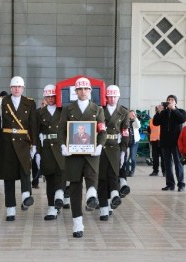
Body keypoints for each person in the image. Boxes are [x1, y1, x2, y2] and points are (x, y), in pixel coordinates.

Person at [58, 77, 107, 238]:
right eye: (80, 89)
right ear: (76, 91)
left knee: (92, 178)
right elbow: (61, 131)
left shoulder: (97, 109)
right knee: (74, 189)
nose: (83, 91)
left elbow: (102, 130)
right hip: (73, 155)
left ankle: (92, 196)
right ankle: (77, 224)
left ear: (90, 91)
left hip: (91, 154)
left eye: (86, 89)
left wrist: (100, 145)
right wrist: (63, 146)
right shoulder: (68, 109)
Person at [0, 76, 38, 221]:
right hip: (7, 143)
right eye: (14, 87)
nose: (17, 89)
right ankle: (10, 209)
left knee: (25, 170)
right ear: (10, 88)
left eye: (19, 87)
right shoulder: (1, 102)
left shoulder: (30, 103)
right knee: (9, 177)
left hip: (24, 142)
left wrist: (34, 145)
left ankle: (26, 196)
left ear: (23, 88)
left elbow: (33, 125)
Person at [98, 85, 129, 221]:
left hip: (115, 147)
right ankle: (103, 206)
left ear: (118, 97)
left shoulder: (123, 112)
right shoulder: (99, 110)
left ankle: (112, 200)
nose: (112, 99)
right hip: (102, 146)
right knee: (101, 177)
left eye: (114, 96)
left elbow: (125, 132)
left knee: (113, 175)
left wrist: (123, 150)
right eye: (109, 96)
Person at [36, 84, 65, 220]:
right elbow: (36, 133)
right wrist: (37, 151)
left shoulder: (63, 110)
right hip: (47, 147)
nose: (50, 99)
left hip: (61, 146)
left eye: (53, 96)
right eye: (48, 96)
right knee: (50, 178)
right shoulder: (39, 113)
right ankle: (51, 207)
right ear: (44, 97)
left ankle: (59, 197)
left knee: (61, 173)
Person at [153, 95, 186, 192]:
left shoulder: (181, 111)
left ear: (175, 102)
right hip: (165, 142)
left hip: (176, 142)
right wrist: (158, 112)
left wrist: (174, 110)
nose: (169, 101)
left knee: (178, 163)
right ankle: (170, 184)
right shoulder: (163, 113)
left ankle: (181, 184)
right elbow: (155, 123)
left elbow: (182, 119)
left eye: (172, 100)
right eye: (168, 100)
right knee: (167, 164)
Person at [148, 107, 164, 176]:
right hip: (154, 140)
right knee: (155, 157)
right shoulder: (152, 120)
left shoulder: (165, 119)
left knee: (164, 157)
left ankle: (164, 171)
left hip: (163, 140)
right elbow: (149, 129)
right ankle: (155, 171)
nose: (159, 111)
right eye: (157, 110)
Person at [125, 110, 141, 177]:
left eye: (133, 114)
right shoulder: (126, 122)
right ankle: (127, 170)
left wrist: (135, 118)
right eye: (130, 114)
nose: (132, 115)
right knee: (126, 158)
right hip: (127, 142)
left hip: (134, 142)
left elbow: (138, 126)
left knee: (133, 157)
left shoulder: (135, 122)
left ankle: (132, 171)